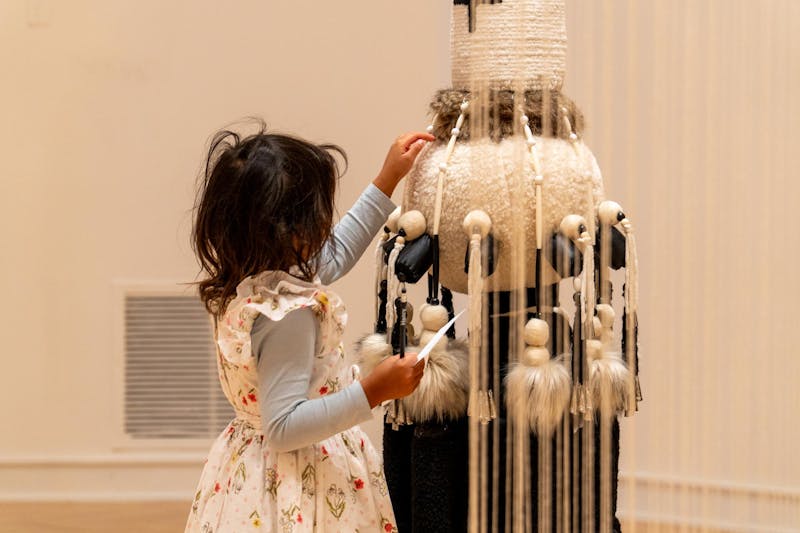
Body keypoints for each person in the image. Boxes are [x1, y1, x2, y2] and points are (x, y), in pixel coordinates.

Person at [186, 123, 435, 532]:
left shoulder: (255, 276)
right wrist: (374, 390)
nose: (326, 221)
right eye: (319, 211)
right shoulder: (288, 315)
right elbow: (284, 428)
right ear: (292, 232)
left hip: (251, 470)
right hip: (297, 478)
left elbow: (335, 254)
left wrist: (387, 178)